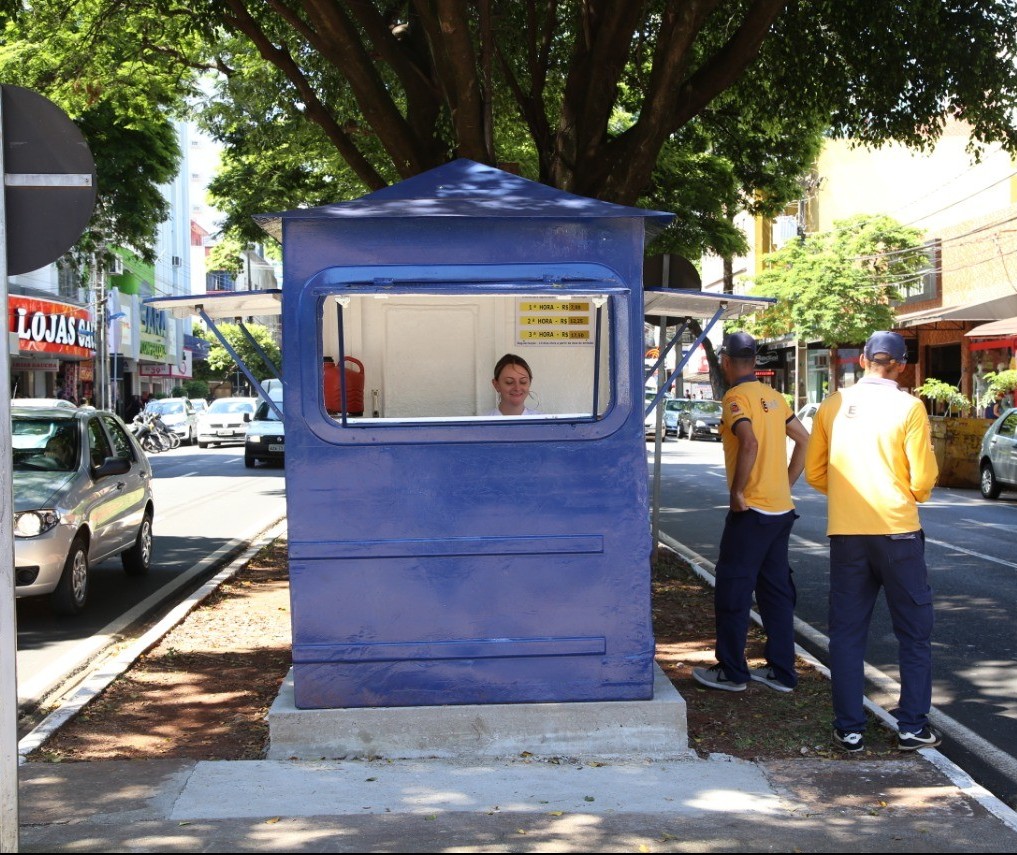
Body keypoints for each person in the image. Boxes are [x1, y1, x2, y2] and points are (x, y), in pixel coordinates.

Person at [804, 331, 941, 754]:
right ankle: (912, 726)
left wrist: (848, 498)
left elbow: (814, 473)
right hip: (898, 531)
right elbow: (922, 481)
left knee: (846, 633)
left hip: (847, 534)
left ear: (861, 361)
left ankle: (850, 729)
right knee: (914, 632)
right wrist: (908, 494)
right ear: (901, 366)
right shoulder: (910, 407)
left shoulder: (832, 405)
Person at [692, 331, 810, 695]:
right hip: (780, 509)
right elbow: (804, 439)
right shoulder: (774, 398)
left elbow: (750, 441)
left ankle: (732, 671)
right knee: (776, 590)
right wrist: (786, 482)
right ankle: (782, 671)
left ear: (726, 362)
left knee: (733, 589)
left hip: (752, 510)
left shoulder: (734, 397)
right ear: (754, 362)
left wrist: (737, 491)